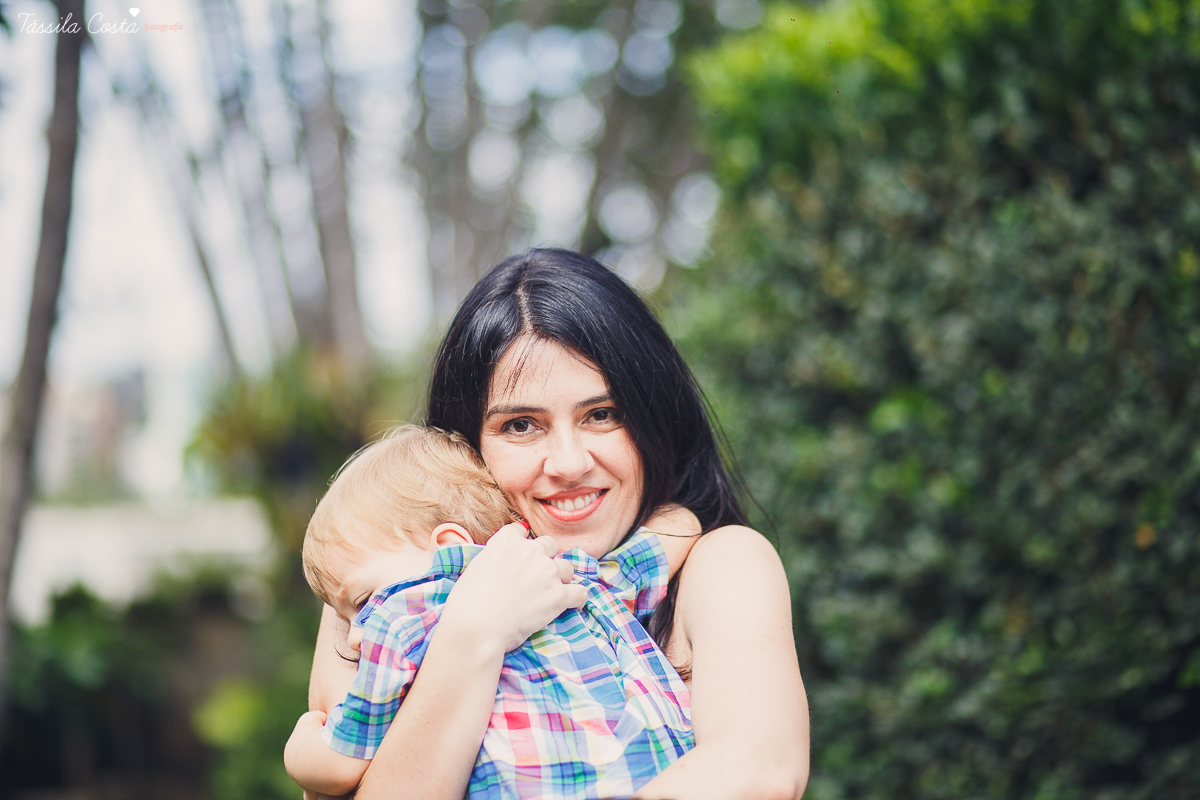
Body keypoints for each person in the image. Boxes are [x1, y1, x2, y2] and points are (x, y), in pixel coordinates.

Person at [308, 249, 810, 800]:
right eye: (521, 425)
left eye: (602, 414)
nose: (569, 463)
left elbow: (760, 768)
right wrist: (471, 633)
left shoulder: (721, 564)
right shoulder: (377, 597)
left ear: (651, 418)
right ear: (462, 444)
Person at [284, 425, 696, 798]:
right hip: (660, 777)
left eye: (359, 604)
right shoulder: (567, 575)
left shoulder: (403, 618)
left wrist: (300, 748)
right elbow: (677, 530)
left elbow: (338, 765)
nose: (354, 636)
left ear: (447, 545)